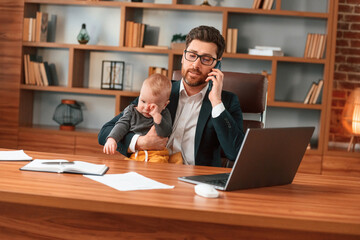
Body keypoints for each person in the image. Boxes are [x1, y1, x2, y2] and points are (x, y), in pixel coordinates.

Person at [98, 25, 245, 167]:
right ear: (183, 57)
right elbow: (105, 132)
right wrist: (141, 142)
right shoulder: (160, 91)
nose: (195, 65)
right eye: (192, 55)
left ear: (217, 65)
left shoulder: (226, 102)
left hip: (196, 180)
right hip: (152, 173)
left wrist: (216, 102)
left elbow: (235, 152)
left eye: (206, 59)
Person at [103, 73, 173, 163]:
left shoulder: (164, 113)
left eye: (153, 106)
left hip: (157, 154)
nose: (146, 108)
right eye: (143, 101)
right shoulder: (131, 111)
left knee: (159, 163)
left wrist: (156, 116)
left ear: (164, 105)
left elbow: (165, 132)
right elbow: (121, 125)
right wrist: (112, 139)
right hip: (136, 154)